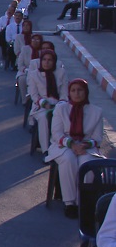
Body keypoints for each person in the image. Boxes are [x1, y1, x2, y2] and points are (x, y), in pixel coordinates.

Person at [46, 79, 104, 219]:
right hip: (64, 145)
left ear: (86, 92)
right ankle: (69, 203)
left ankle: (82, 202)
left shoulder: (96, 111)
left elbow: (97, 138)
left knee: (87, 164)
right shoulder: (61, 109)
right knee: (68, 159)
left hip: (85, 147)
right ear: (69, 93)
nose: (77, 93)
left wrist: (84, 145)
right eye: (73, 90)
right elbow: (57, 133)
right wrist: (72, 144)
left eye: (80, 90)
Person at [28, 50, 68, 156]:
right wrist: (45, 104)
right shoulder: (34, 74)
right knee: (43, 118)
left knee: (64, 118)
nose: (46, 62)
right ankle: (46, 150)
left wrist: (60, 104)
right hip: (41, 106)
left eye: (50, 60)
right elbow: (34, 95)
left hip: (59, 104)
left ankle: (62, 146)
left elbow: (64, 93)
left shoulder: (61, 73)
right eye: (44, 60)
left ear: (54, 62)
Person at [16, 34, 42, 104]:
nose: (35, 41)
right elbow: (20, 65)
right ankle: (25, 100)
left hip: (39, 71)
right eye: (33, 39)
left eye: (37, 39)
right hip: (26, 71)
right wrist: (25, 70)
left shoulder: (42, 50)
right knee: (22, 79)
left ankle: (39, 99)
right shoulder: (25, 49)